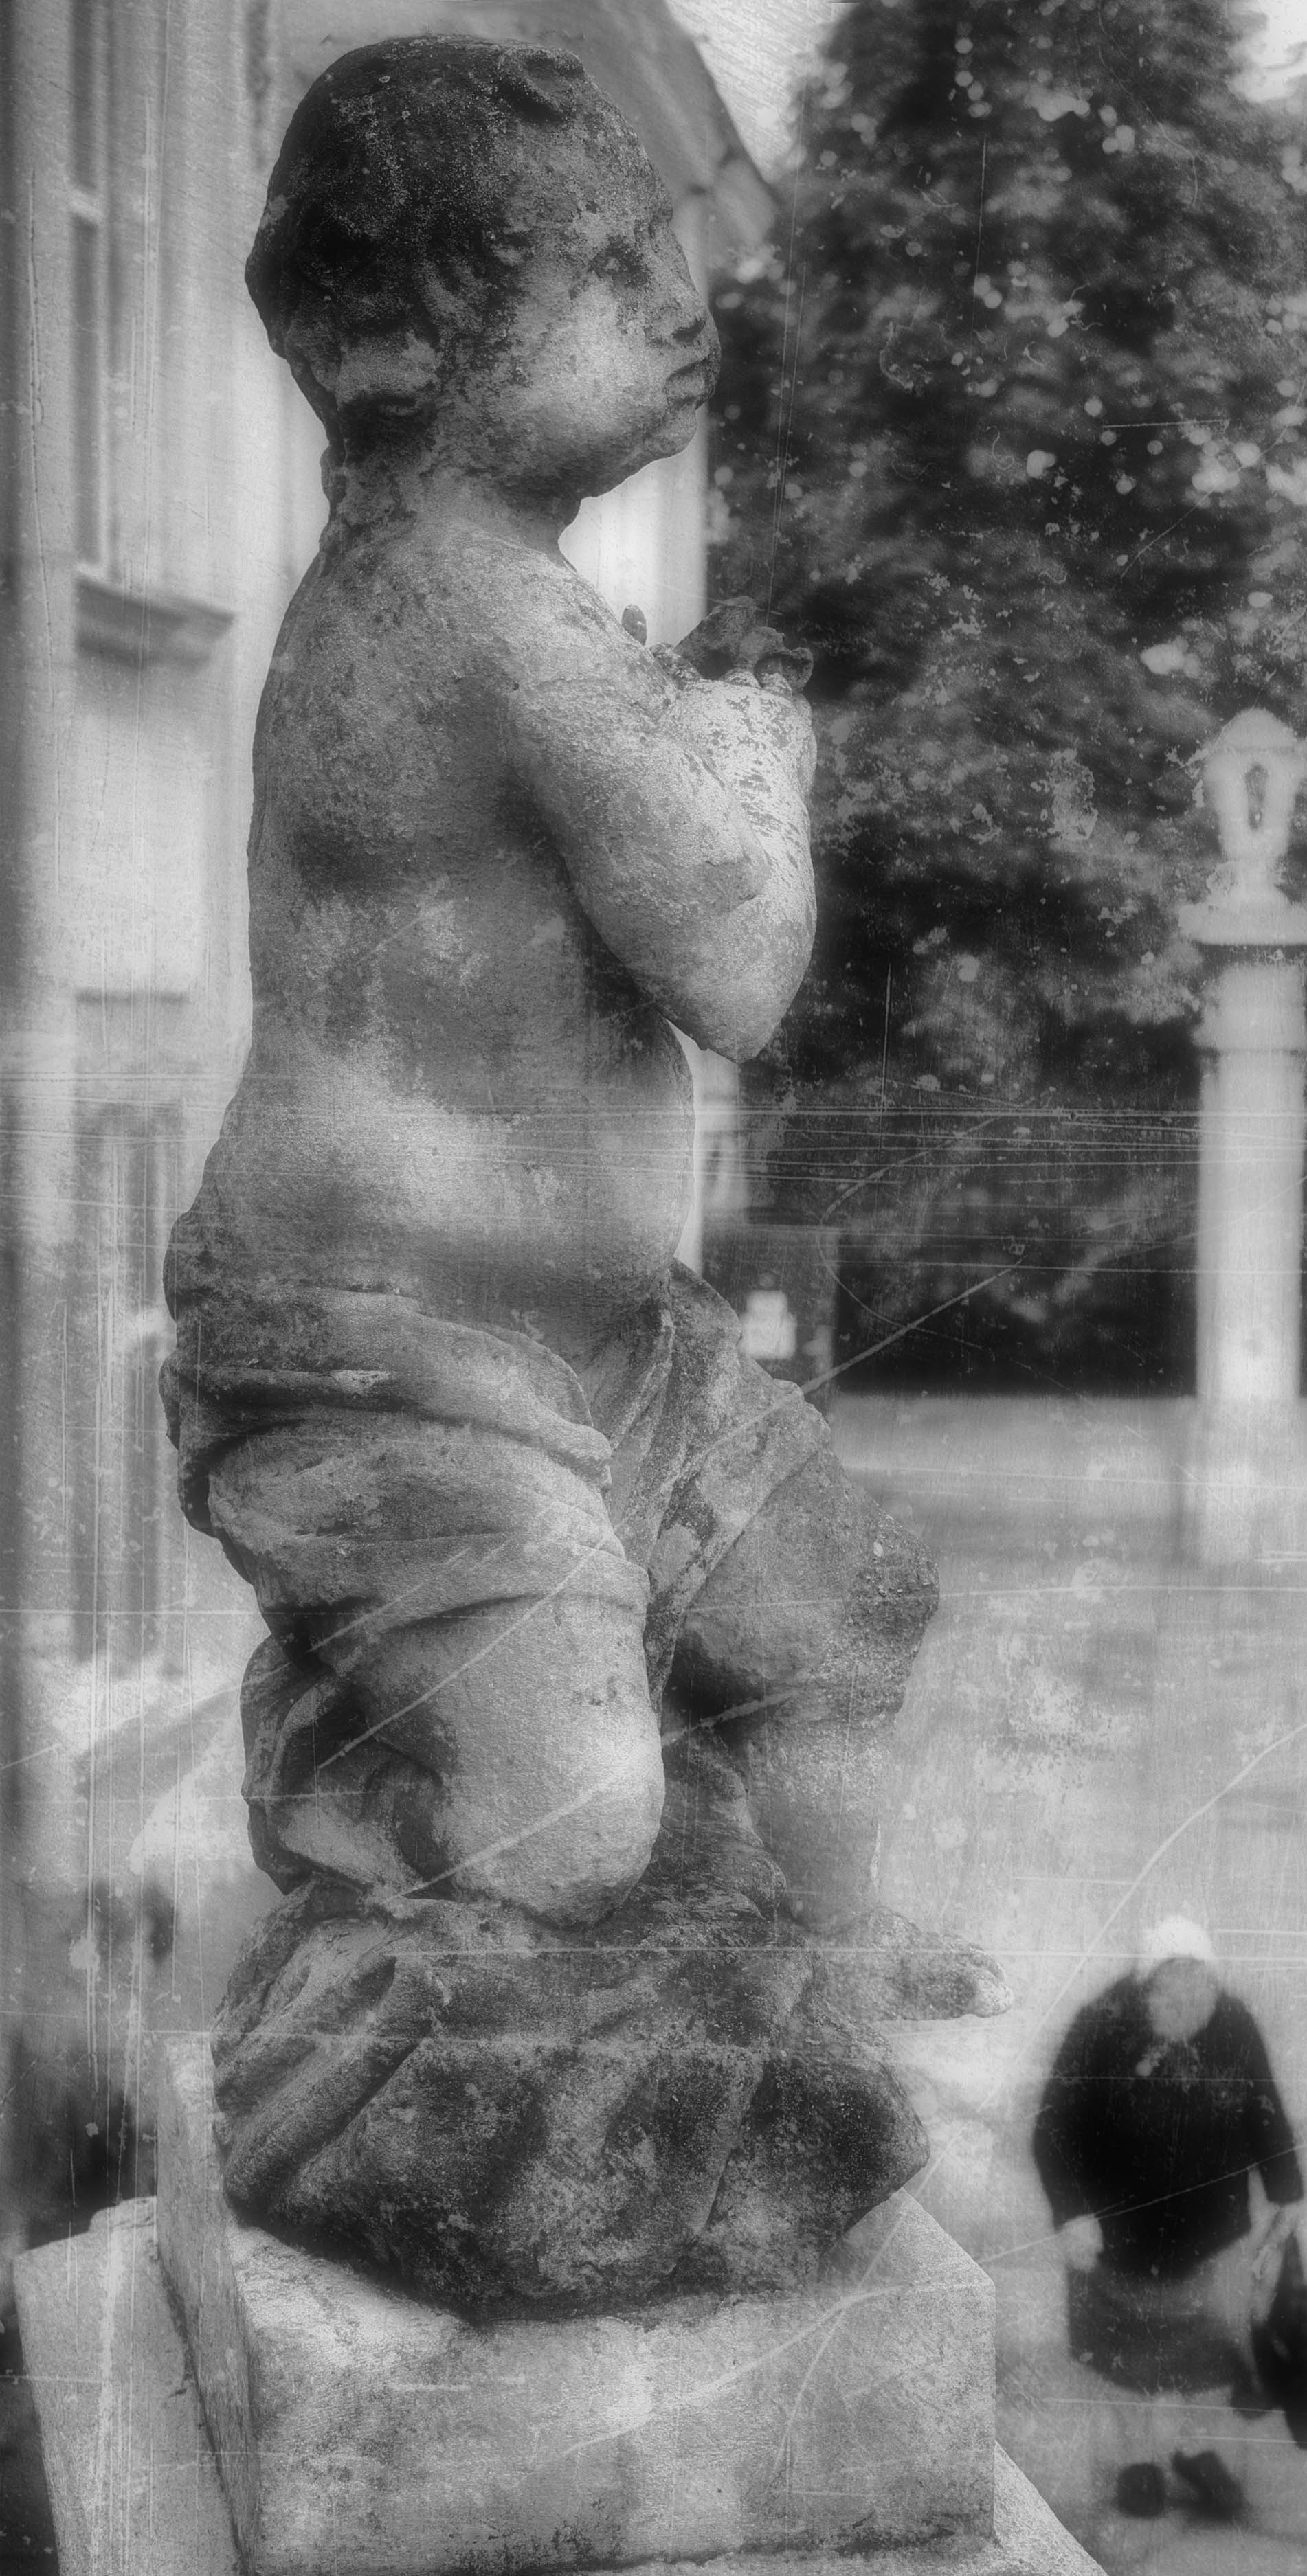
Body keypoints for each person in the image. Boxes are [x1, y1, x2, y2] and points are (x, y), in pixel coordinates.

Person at [159, 36, 1003, 2311]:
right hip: (386, 1365)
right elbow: (740, 961)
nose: (681, 312)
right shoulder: (484, 613)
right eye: (614, 275)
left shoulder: (456, 592)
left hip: (590, 1345)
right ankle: (370, 1872)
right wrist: (757, 748)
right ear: (411, 343)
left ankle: (824, 1965)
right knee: (578, 1828)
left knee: (833, 1602)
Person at [1031, 1917, 1306, 2523]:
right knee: (1125, 2363)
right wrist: (1071, 2213)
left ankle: (1190, 2447)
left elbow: (1264, 2109)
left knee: (1205, 2360)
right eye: (1172, 1999)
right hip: (1118, 2239)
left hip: (1210, 2235)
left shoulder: (1233, 2024)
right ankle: (1138, 2458)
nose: (1187, 2012)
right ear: (1146, 1989)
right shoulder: (1101, 2027)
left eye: (1198, 1998)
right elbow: (1053, 2127)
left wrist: (1287, 2191)